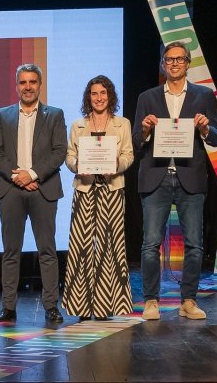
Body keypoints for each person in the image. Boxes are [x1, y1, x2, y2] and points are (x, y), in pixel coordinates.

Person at [133, 42, 217, 321]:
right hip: (155, 176)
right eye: (169, 59)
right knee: (150, 244)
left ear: (187, 63)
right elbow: (135, 141)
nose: (174, 64)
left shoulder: (204, 95)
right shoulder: (147, 97)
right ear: (163, 64)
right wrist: (146, 130)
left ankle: (189, 300)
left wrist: (206, 128)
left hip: (190, 176)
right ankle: (151, 301)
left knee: (195, 244)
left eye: (179, 59)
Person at [0, 64, 68, 324]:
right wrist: (18, 177)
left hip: (43, 189)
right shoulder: (3, 115)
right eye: (23, 82)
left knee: (47, 251)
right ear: (16, 86)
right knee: (10, 251)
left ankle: (51, 306)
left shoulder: (55, 114)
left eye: (32, 82)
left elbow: (59, 151)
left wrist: (33, 174)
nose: (27, 86)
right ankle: (8, 307)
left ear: (40, 85)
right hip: (11, 189)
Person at [63, 75, 134, 320]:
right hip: (85, 189)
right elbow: (69, 156)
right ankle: (82, 307)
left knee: (110, 247)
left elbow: (128, 155)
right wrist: (76, 166)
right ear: (88, 97)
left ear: (110, 96)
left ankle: (105, 305)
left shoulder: (122, 124)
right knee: (81, 247)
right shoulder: (78, 126)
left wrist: (115, 164)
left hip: (112, 190)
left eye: (103, 93)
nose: (99, 98)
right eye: (94, 93)